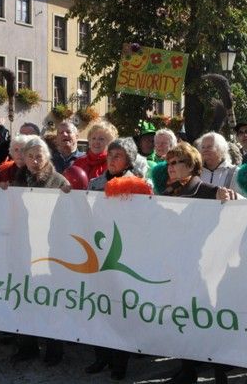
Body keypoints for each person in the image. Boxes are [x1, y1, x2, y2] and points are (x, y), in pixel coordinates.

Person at [162, 142, 236, 384]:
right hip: (177, 266)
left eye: (176, 162)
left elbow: (233, 216)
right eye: (168, 163)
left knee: (207, 318)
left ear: (191, 165)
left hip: (204, 267)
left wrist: (227, 198)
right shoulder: (167, 193)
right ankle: (187, 368)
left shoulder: (207, 190)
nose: (170, 167)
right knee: (182, 317)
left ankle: (219, 372)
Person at [3, 135, 70, 366]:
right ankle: (27, 346)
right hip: (23, 248)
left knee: (50, 300)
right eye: (29, 156)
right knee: (24, 299)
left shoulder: (58, 182)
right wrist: (4, 192)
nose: (34, 160)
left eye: (38, 156)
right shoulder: (17, 181)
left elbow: (67, 217)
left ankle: (54, 348)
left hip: (48, 251)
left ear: (47, 157)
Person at [85, 137, 140, 380]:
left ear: (128, 160)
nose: (112, 160)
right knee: (99, 305)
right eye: (110, 155)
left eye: (117, 156)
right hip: (98, 251)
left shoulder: (138, 184)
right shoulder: (95, 183)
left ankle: (120, 362)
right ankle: (101, 357)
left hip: (124, 254)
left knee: (120, 310)